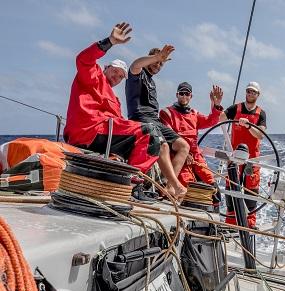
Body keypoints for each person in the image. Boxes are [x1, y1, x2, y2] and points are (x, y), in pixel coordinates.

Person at [64, 22, 163, 176]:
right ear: (106, 67)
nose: (117, 77)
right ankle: (132, 182)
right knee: (149, 133)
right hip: (89, 132)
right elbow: (83, 60)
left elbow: (120, 123)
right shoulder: (93, 76)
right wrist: (109, 42)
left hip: (104, 133)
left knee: (150, 140)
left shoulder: (115, 99)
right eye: (115, 71)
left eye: (121, 76)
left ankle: (131, 178)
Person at [125, 45, 189, 196]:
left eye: (161, 63)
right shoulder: (138, 74)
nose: (158, 65)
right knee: (163, 146)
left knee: (183, 146)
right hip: (141, 120)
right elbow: (135, 65)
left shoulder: (152, 82)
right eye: (156, 61)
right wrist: (157, 57)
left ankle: (168, 187)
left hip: (155, 121)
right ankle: (176, 185)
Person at [159, 83, 224, 206]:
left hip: (196, 156)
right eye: (181, 93)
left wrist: (216, 105)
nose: (184, 96)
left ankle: (213, 218)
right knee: (189, 187)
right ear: (177, 95)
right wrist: (185, 153)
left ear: (191, 96)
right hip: (178, 155)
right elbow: (168, 137)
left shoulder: (194, 114)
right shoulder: (166, 113)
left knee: (212, 185)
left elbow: (211, 121)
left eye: (187, 94)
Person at [219, 82, 267, 229]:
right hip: (235, 156)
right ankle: (230, 222)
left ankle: (250, 223)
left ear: (258, 95)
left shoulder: (261, 113)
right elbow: (221, 118)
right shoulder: (236, 108)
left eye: (253, 92)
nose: (250, 94)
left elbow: (261, 134)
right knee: (231, 186)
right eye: (248, 91)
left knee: (251, 189)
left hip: (252, 159)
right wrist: (218, 106)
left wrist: (248, 125)